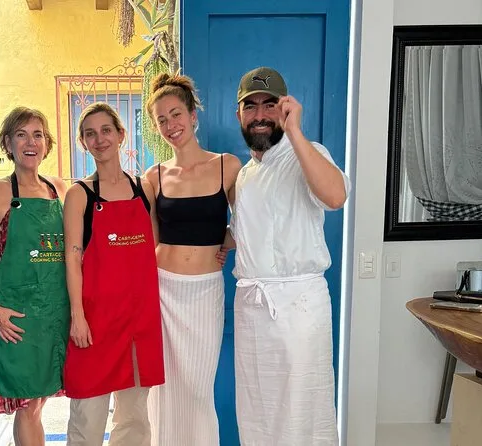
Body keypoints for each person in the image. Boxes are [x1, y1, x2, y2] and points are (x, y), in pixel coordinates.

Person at [229, 66, 350, 446]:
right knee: (257, 412)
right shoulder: (245, 175)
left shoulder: (307, 153)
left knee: (301, 412)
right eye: (251, 106)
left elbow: (336, 196)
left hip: (298, 308)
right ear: (239, 114)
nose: (260, 115)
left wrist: (295, 132)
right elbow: (245, 233)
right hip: (252, 308)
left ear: (285, 108)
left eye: (270, 105)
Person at [143, 74, 241, 446]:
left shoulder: (227, 166)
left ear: (193, 115)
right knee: (163, 389)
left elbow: (249, 223)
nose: (171, 125)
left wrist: (226, 242)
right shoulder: (153, 177)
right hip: (162, 292)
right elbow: (148, 240)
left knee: (198, 391)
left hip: (204, 293)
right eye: (161, 120)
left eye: (176, 114)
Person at [0, 106, 70, 446]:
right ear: (8, 143)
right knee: (28, 405)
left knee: (38, 404)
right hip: (17, 318)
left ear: (47, 143)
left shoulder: (58, 189)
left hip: (55, 315)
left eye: (38, 135)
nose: (30, 142)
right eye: (21, 135)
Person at [62, 102, 165, 446]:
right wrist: (78, 317)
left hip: (138, 323)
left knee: (134, 419)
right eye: (90, 134)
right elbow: (71, 259)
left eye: (106, 130)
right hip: (95, 322)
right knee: (87, 419)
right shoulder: (79, 195)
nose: (100, 139)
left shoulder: (143, 189)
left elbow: (154, 246)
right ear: (83, 142)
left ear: (121, 135)